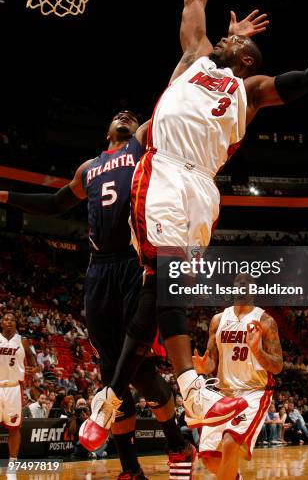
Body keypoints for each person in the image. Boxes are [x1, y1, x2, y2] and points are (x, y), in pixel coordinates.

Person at [84, 0, 308, 449]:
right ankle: (190, 387)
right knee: (170, 276)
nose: (227, 35)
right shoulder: (196, 56)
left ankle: (109, 400)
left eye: (237, 39)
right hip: (164, 169)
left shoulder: (251, 89)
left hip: (203, 188)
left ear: (247, 58)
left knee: (159, 290)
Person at [0, 112, 194, 479]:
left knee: (136, 366)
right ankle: (130, 469)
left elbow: (169, 102)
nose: (123, 116)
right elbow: (55, 204)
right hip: (99, 269)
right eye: (117, 116)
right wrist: (6, 195)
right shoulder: (88, 167)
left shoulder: (141, 147)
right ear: (105, 131)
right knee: (112, 369)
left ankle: (175, 442)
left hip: (137, 262)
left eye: (130, 115)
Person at [193, 275, 283, 480]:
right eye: (238, 283)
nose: (242, 286)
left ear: (254, 290)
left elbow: (277, 365)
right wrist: (203, 366)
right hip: (223, 394)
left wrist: (257, 351)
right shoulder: (218, 320)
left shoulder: (265, 320)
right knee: (208, 457)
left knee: (230, 443)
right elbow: (212, 363)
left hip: (253, 392)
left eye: (248, 284)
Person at [0, 313, 37, 466]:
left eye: (12, 320)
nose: (9, 322)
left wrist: (34, 368)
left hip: (14, 388)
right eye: (6, 319)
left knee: (14, 428)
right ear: (2, 322)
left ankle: (13, 461)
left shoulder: (23, 341)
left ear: (16, 323)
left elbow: (32, 359)